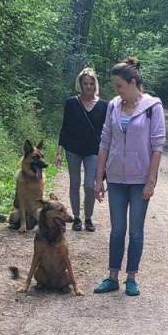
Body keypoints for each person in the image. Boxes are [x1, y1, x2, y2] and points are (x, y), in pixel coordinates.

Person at [93, 57, 166, 297]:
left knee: (135, 230)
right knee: (117, 230)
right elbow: (105, 141)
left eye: (120, 86)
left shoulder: (153, 107)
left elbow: (157, 147)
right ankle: (112, 276)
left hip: (139, 180)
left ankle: (131, 277)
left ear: (133, 82)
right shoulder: (113, 106)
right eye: (116, 88)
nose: (117, 91)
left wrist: (151, 181)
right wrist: (98, 177)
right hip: (115, 178)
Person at [55, 67, 108, 232]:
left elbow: (107, 132)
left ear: (95, 84)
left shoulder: (104, 105)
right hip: (73, 148)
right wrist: (59, 151)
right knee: (74, 183)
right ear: (80, 84)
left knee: (89, 185)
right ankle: (77, 217)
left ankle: (88, 218)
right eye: (85, 83)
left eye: (91, 83)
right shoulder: (71, 103)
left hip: (93, 150)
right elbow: (65, 128)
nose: (89, 87)